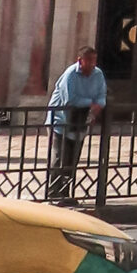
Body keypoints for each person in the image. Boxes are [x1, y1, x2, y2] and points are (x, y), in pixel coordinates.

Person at [47, 46, 107, 200]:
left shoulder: (98, 74)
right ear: (80, 60)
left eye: (94, 61)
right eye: (88, 61)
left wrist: (99, 105)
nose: (92, 65)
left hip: (81, 120)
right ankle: (53, 192)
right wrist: (90, 103)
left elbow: (101, 95)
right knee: (60, 157)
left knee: (73, 159)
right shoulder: (70, 75)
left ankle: (65, 193)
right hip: (61, 120)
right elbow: (69, 99)